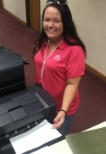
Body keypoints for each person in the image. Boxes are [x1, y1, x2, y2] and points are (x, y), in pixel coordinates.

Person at [33, 0, 86, 136]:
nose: (50, 25)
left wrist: (63, 110)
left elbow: (72, 83)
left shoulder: (75, 50)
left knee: (55, 141)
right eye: (46, 20)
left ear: (65, 23)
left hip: (61, 107)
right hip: (42, 101)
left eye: (56, 20)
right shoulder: (42, 41)